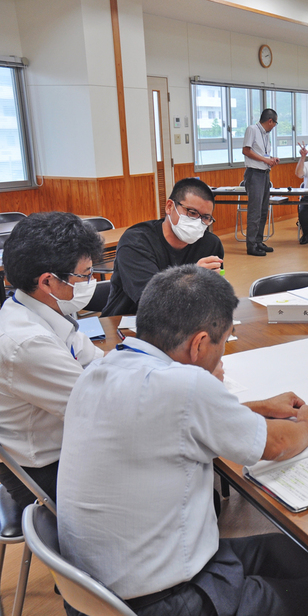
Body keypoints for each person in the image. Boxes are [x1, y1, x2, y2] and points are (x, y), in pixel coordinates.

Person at [58, 265, 308, 616]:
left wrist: (257, 406)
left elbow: (173, 423)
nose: (223, 353)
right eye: (223, 341)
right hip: (166, 604)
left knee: (293, 551)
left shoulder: (104, 369)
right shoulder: (185, 387)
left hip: (103, 590)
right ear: (199, 344)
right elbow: (274, 445)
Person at [0, 212, 104, 515]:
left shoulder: (41, 309)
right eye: (84, 275)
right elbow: (98, 409)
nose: (90, 282)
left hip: (65, 440)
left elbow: (95, 362)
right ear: (48, 282)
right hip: (42, 470)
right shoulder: (27, 343)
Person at [102, 177, 224, 317]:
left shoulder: (210, 244)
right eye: (191, 213)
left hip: (186, 324)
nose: (198, 222)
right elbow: (151, 302)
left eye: (205, 218)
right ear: (169, 207)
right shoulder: (136, 242)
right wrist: (191, 278)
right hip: (129, 322)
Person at [242, 108, 279, 256]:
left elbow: (262, 153)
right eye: (274, 124)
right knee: (255, 211)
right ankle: (251, 245)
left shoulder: (265, 135)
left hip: (264, 173)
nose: (274, 127)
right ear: (270, 121)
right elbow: (246, 150)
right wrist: (265, 160)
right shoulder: (252, 129)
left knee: (263, 209)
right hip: (254, 174)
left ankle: (258, 241)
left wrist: (271, 159)